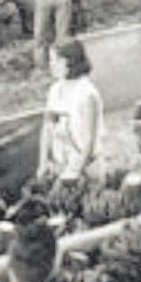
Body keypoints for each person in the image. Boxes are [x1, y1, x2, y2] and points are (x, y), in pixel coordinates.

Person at [40, 38, 104, 180]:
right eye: (51, 60)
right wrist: (43, 163)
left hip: (86, 166)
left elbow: (89, 139)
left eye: (56, 61)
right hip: (61, 163)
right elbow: (46, 128)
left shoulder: (87, 94)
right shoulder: (54, 90)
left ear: (70, 62)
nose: (51, 65)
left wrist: (75, 171)